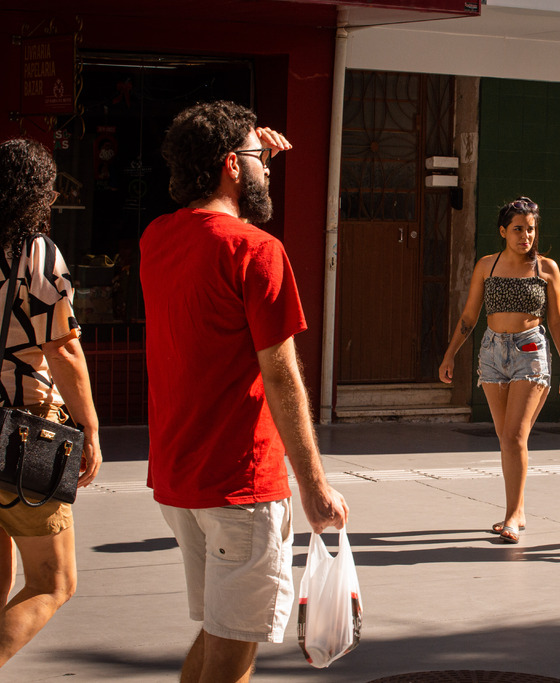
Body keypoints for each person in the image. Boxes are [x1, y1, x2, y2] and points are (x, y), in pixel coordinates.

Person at [140, 101, 348, 682]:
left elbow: (217, 206)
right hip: (242, 484)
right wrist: (314, 487)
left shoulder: (157, 238)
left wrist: (251, 152)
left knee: (218, 631)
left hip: (181, 479)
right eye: (261, 161)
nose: (270, 170)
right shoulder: (257, 251)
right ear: (232, 165)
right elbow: (280, 375)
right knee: (232, 658)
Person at [0, 138, 102, 667]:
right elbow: (62, 348)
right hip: (22, 432)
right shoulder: (34, 252)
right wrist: (89, 428)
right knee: (53, 582)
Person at [438, 197, 560, 544]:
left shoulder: (546, 269)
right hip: (492, 353)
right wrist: (450, 355)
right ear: (503, 231)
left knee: (514, 436)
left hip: (530, 352)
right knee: (508, 439)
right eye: (517, 229)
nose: (525, 236)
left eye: (530, 229)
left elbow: (557, 321)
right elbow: (470, 316)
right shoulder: (487, 265)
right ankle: (519, 509)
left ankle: (512, 515)